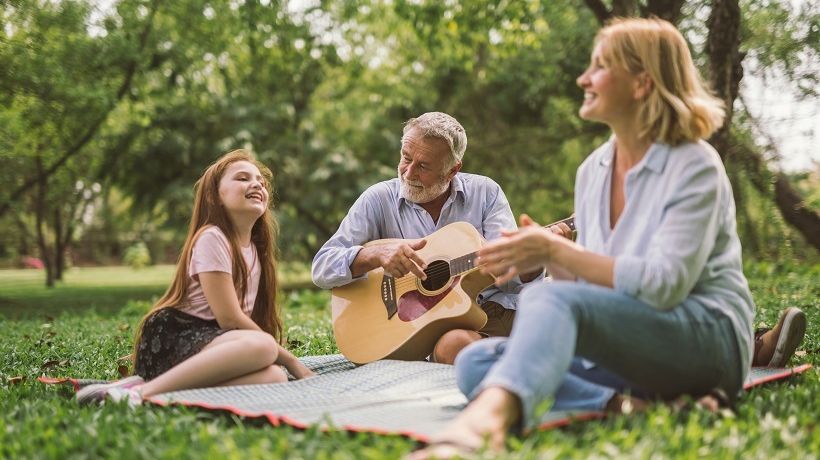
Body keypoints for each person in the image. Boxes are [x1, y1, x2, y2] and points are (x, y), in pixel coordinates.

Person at [411, 17, 768, 458]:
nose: (584, 78)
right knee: (473, 362)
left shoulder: (694, 165)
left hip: (704, 342)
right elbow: (581, 294)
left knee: (531, 326)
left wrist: (558, 250)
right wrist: (551, 261)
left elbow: (663, 285)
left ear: (641, 84)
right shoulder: (593, 170)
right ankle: (627, 405)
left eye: (599, 67)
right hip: (631, 350)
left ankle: (480, 428)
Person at [77, 150, 314, 406]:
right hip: (175, 337)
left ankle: (145, 388)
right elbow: (230, 318)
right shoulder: (213, 237)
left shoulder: (255, 251)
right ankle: (138, 395)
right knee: (266, 348)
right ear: (216, 196)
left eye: (261, 181)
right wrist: (291, 361)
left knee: (274, 377)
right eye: (243, 178)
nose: (256, 184)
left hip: (213, 343)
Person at [311, 112, 545, 365]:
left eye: (423, 166)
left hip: (487, 312)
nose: (408, 173)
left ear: (452, 170)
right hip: (412, 328)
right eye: (406, 158)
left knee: (458, 344)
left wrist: (531, 264)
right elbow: (322, 267)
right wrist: (373, 255)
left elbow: (511, 281)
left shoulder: (486, 192)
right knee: (455, 346)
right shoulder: (377, 199)